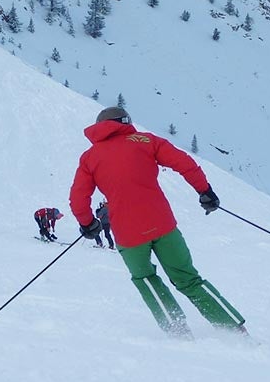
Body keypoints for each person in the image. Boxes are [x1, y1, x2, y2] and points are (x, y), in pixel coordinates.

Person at [69, 106, 246, 337]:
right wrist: (205, 191)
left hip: (128, 233)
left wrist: (87, 223)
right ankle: (233, 329)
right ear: (125, 121)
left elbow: (78, 197)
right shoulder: (145, 140)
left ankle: (177, 330)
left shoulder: (90, 157)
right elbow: (184, 163)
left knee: (146, 279)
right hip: (162, 224)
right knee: (188, 279)